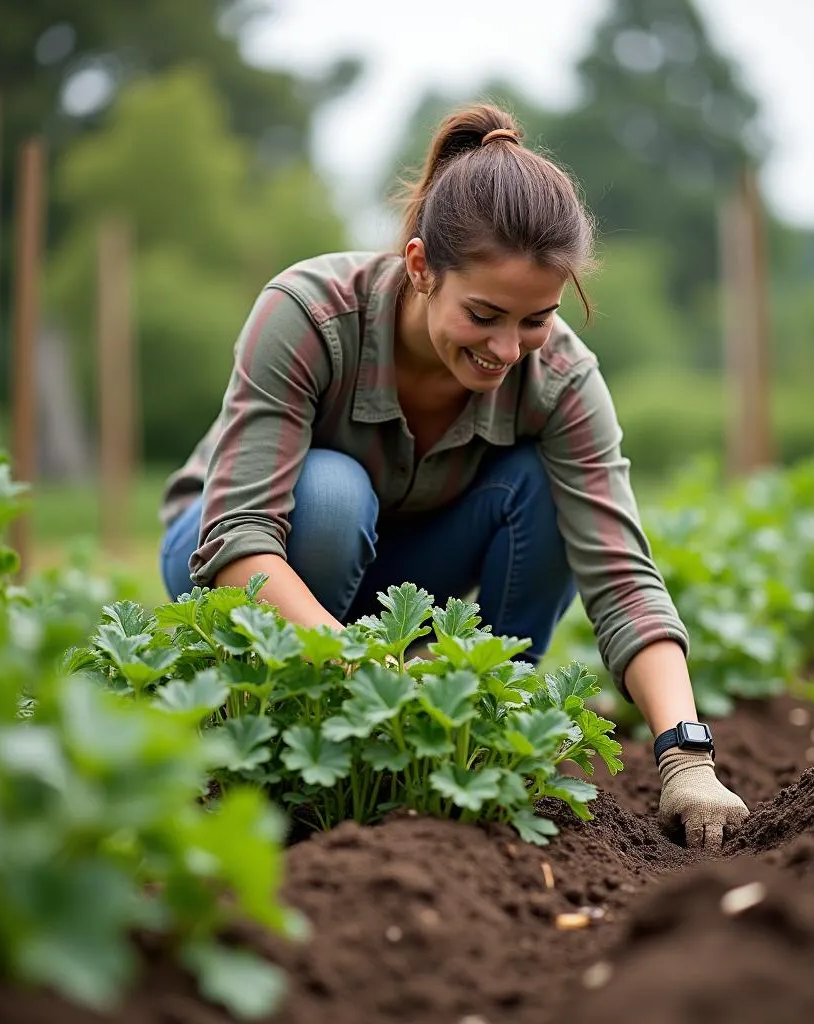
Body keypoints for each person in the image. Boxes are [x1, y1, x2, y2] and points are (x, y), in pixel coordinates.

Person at [158, 103, 749, 851]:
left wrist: (686, 754)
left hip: (395, 574)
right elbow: (239, 536)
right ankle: (283, 738)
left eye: (536, 318)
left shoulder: (560, 377)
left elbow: (622, 575)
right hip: (231, 557)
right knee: (334, 494)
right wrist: (366, 668)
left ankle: (483, 731)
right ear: (419, 268)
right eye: (484, 314)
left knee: (547, 489)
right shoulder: (308, 315)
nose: (509, 348)